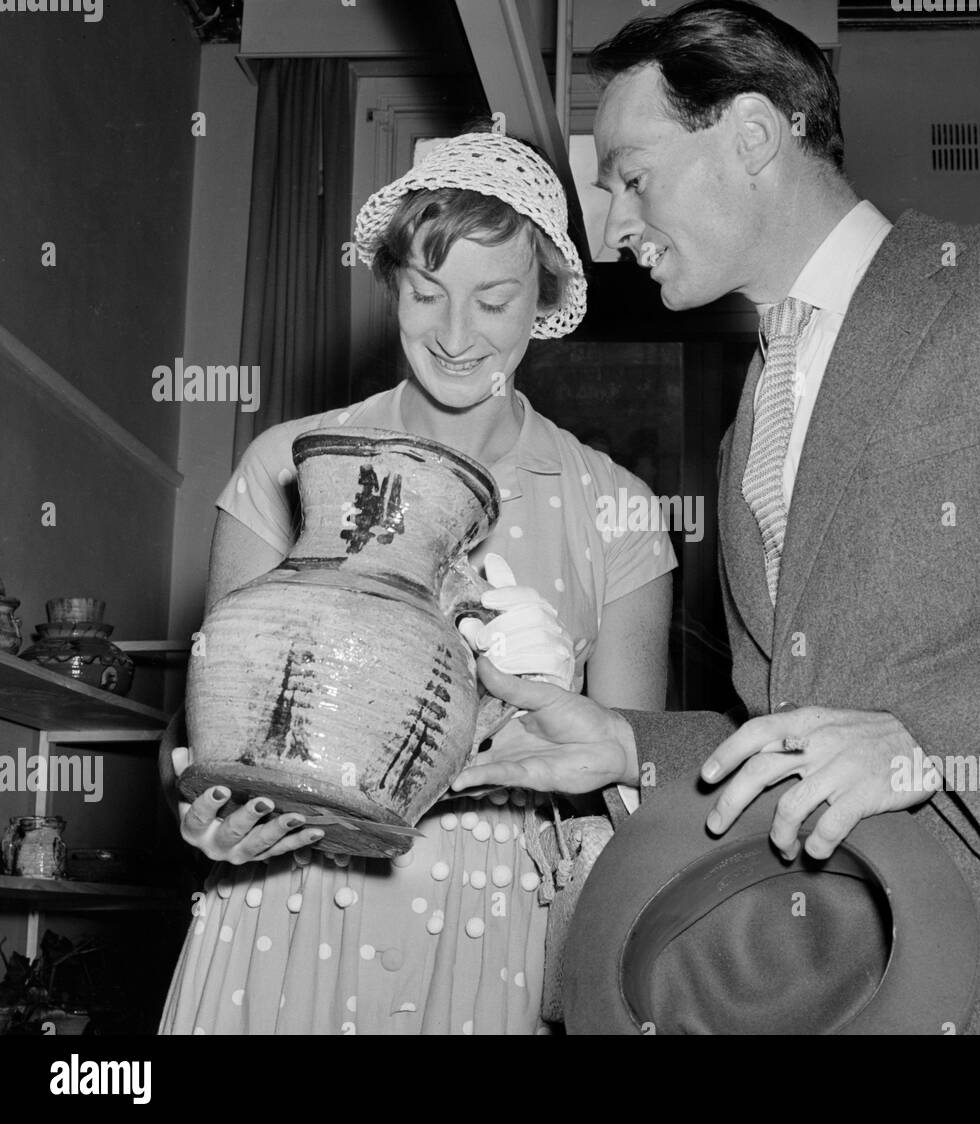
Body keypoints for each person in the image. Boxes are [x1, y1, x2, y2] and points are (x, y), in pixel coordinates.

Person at [452, 1, 980, 1033]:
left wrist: (931, 741)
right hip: (841, 991)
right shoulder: (746, 420)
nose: (613, 224)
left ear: (753, 133)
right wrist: (628, 745)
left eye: (630, 174)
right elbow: (806, 724)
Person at [158, 132, 675, 1035]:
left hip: (495, 933)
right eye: (426, 292)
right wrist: (199, 813)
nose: (454, 334)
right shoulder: (288, 464)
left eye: (494, 298)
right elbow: (203, 725)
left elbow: (632, 786)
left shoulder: (616, 508)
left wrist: (542, 706)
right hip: (287, 897)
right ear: (393, 282)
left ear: (546, 298)